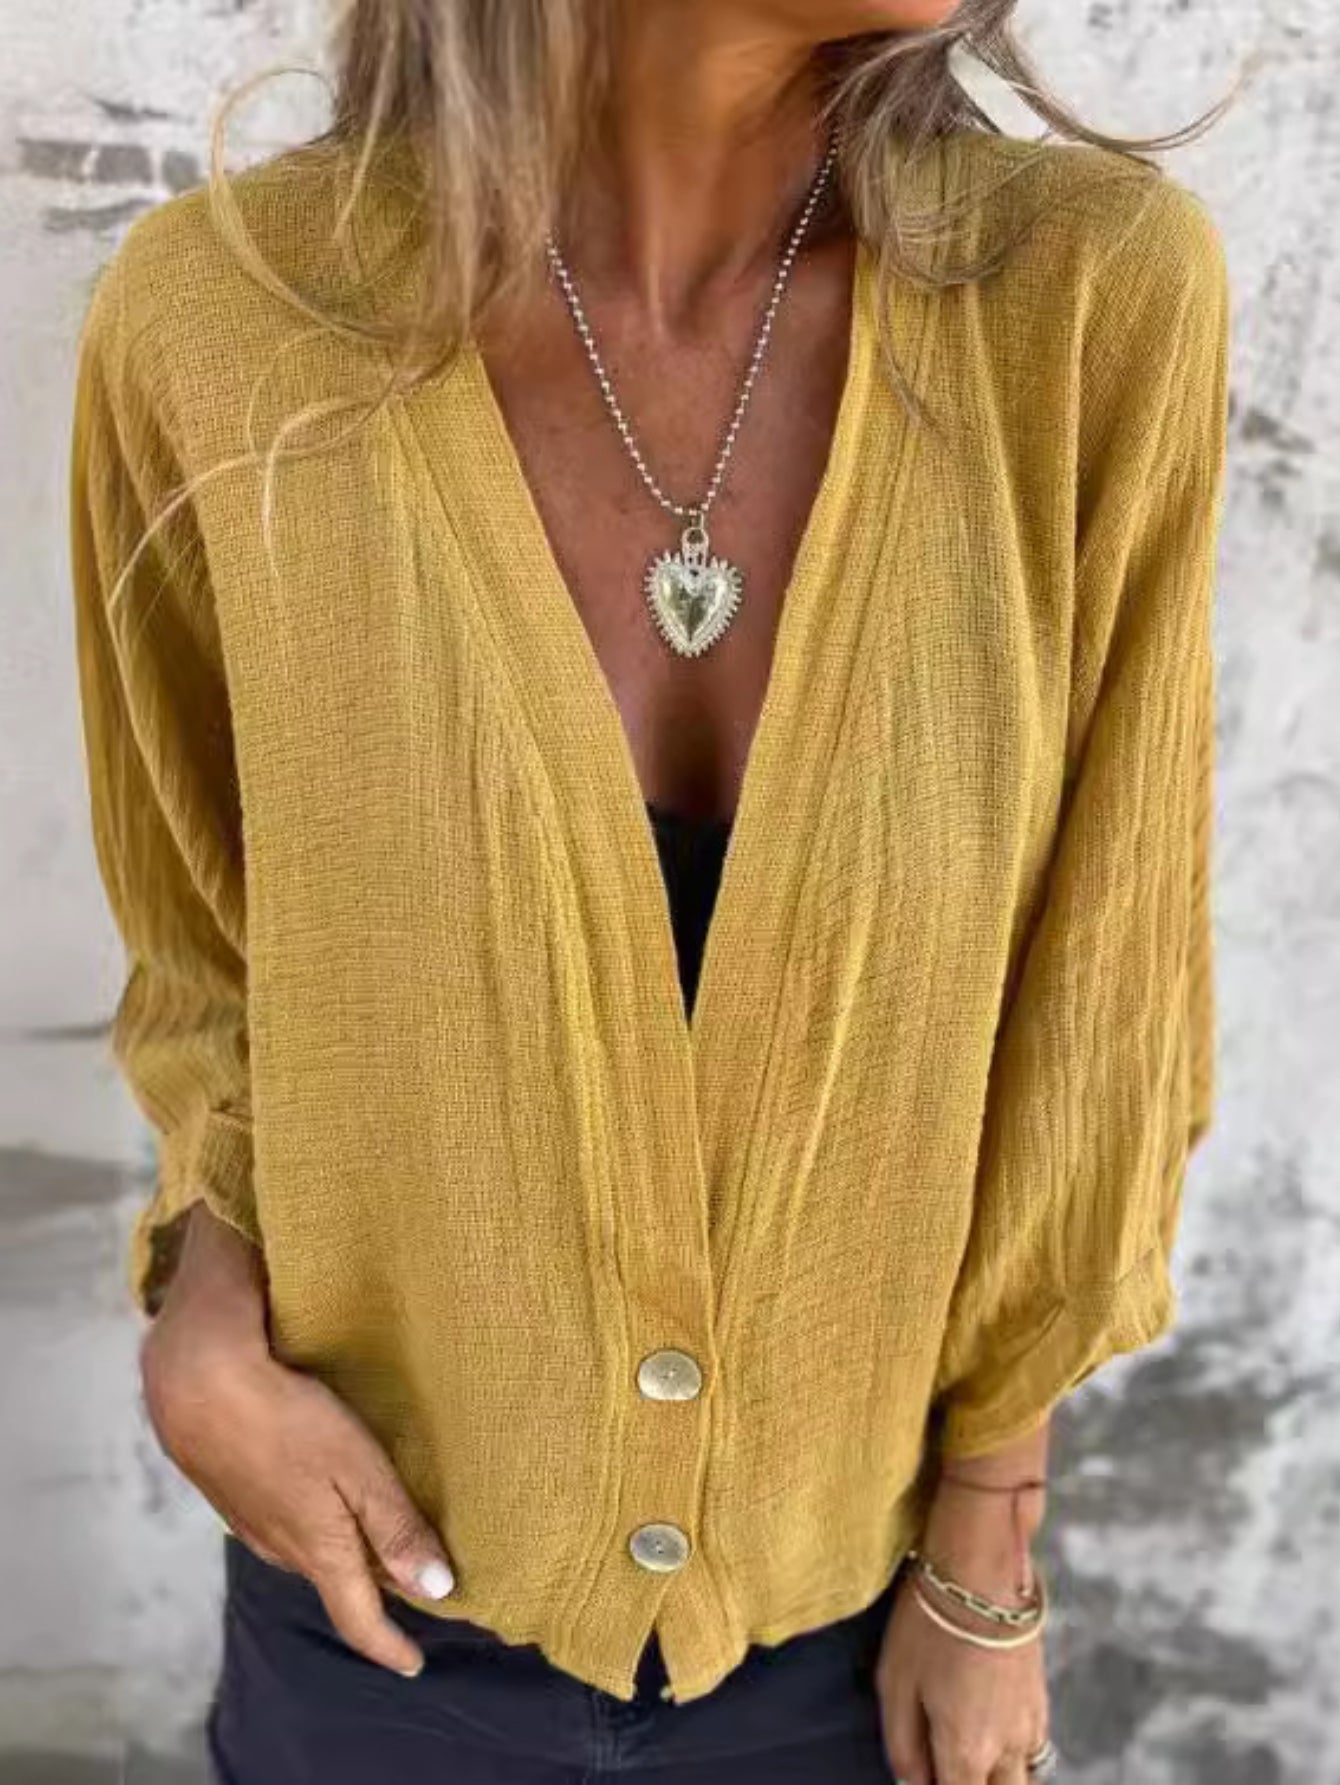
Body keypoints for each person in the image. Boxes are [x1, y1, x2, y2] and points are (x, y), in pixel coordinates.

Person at [67, 2, 1233, 1781]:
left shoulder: (1085, 301)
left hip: (861, 1633)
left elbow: (1110, 981)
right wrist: (199, 1308)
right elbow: (209, 947)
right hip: (368, 1600)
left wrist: (990, 1543)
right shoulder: (225, 320)